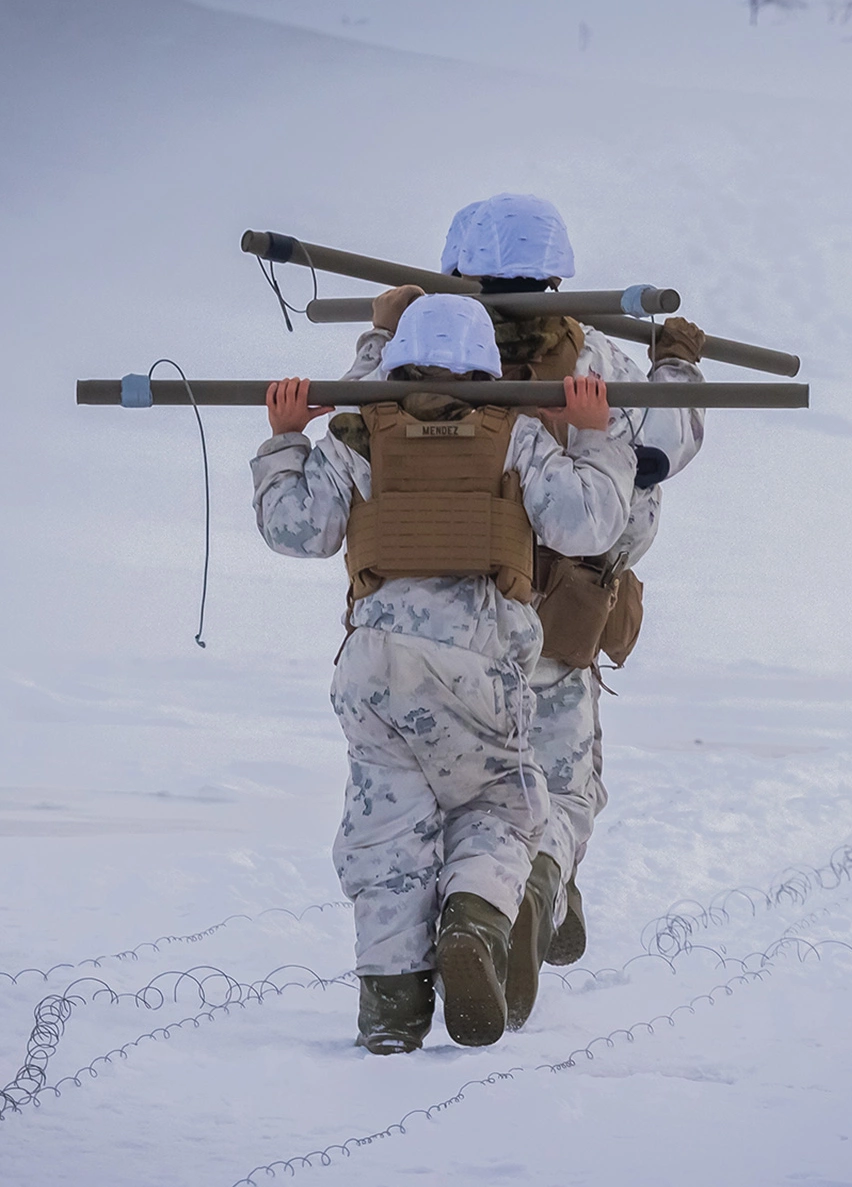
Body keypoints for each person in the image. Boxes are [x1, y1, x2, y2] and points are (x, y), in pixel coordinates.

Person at [342, 194, 706, 1030]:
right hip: (558, 616)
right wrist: (677, 368)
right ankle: (536, 886)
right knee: (558, 793)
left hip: (433, 617)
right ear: (555, 276)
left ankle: (412, 977)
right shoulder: (600, 357)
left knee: (415, 814)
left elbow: (352, 421)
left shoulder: (415, 362)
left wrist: (383, 330)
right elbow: (665, 444)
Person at [250, 293, 635, 1053]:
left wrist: (285, 439)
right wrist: (595, 441)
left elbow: (296, 528)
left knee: (387, 833)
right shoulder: (517, 434)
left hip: (375, 668)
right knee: (502, 805)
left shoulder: (359, 432)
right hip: (476, 664)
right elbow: (586, 523)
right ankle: (474, 918)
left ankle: (391, 1012)